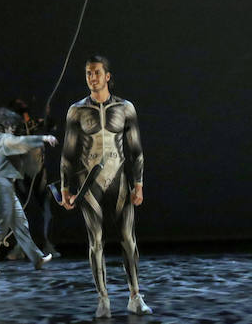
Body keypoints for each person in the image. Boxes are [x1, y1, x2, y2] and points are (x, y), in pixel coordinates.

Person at [60, 55, 151, 318]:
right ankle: (103, 300)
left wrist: (139, 184)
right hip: (89, 183)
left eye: (97, 73)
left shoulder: (125, 108)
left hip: (119, 179)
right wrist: (66, 188)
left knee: (128, 239)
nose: (93, 77)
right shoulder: (76, 110)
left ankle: (135, 296)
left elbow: (136, 150)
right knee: (95, 242)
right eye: (89, 73)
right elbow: (68, 153)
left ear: (107, 76)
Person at [0, 107, 57, 275]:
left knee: (20, 224)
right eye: (11, 126)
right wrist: (43, 138)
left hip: (4, 186)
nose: (13, 129)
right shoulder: (3, 139)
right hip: (1, 186)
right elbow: (20, 143)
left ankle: (37, 258)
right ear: (5, 124)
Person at [5, 98, 59, 260]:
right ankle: (21, 246)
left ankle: (48, 244)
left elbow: (53, 125)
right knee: (20, 212)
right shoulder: (13, 129)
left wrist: (48, 116)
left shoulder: (38, 123)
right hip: (22, 174)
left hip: (38, 172)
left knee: (46, 209)